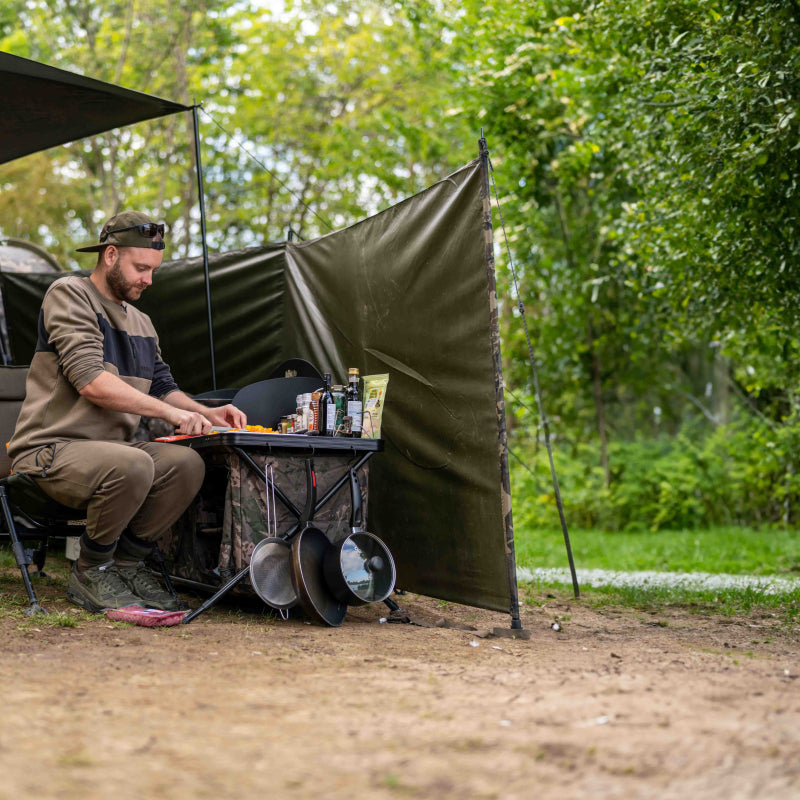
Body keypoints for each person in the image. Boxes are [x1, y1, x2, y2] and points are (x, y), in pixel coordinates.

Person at [7, 211, 247, 612]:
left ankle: (127, 564)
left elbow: (163, 386)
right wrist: (171, 417)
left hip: (112, 455)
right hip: (49, 451)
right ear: (111, 255)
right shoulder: (69, 293)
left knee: (186, 464)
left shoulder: (142, 322)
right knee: (134, 463)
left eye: (153, 270)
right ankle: (91, 570)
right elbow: (91, 382)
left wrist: (208, 412)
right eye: (141, 268)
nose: (148, 280)